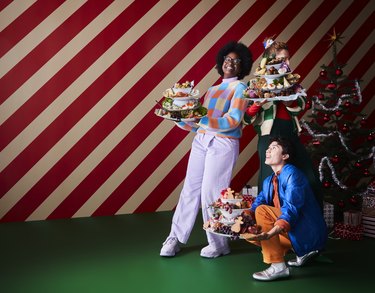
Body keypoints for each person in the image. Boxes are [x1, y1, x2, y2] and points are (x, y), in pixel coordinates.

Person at [160, 41, 253, 258]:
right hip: (202, 141)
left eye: (237, 61)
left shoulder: (241, 88)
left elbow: (233, 120)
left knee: (212, 193)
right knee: (190, 190)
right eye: (228, 59)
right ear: (221, 62)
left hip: (223, 143)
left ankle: (219, 242)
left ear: (243, 66)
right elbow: (199, 124)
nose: (231, 63)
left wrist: (201, 119)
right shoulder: (212, 90)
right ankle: (175, 237)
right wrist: (179, 118)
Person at [244, 39, 323, 208]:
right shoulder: (255, 84)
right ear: (270, 61)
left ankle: (311, 221)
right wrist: (258, 102)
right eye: (282, 59)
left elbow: (302, 104)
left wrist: (288, 99)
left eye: (288, 59)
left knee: (310, 178)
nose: (287, 63)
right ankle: (266, 223)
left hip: (290, 135)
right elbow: (246, 117)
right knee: (269, 181)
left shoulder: (293, 82)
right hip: (268, 136)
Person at [244, 137, 327, 281]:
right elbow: (258, 202)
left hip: (307, 231)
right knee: (249, 231)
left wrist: (272, 231)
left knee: (262, 211)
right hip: (292, 232)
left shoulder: (292, 173)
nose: (268, 150)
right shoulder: (269, 180)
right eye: (268, 148)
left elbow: (292, 208)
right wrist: (243, 218)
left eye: (274, 148)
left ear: (285, 156)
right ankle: (299, 252)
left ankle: (278, 267)